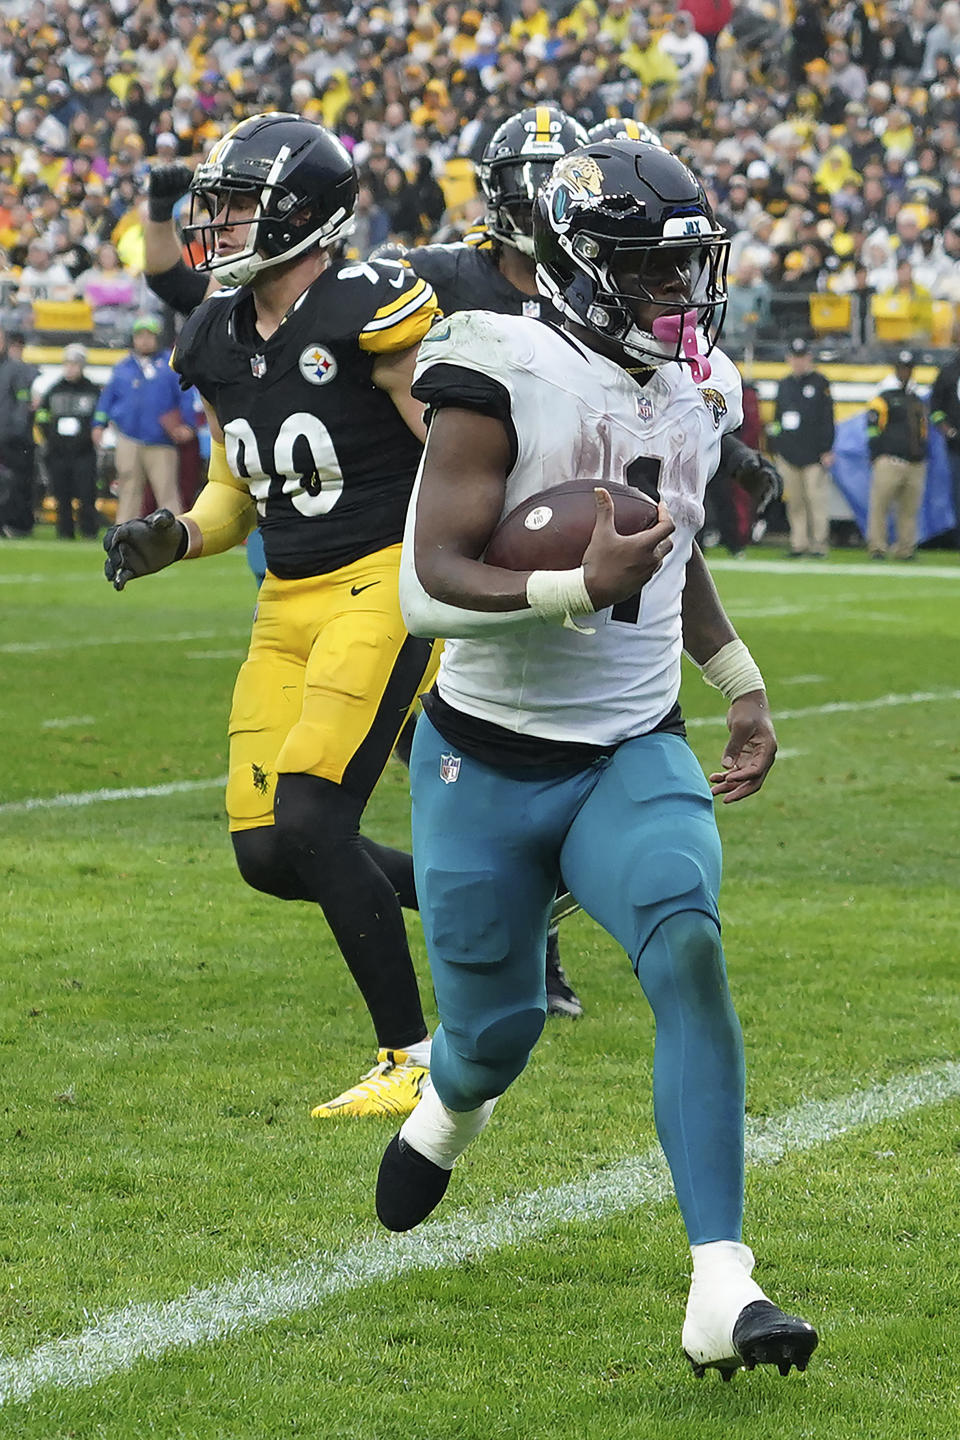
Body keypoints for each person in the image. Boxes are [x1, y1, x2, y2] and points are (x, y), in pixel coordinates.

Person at [374, 139, 818, 1381]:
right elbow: (429, 585)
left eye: (688, 265)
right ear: (576, 265)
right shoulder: (498, 362)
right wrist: (570, 583)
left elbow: (672, 548)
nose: (680, 293)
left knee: (687, 941)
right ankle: (453, 1104)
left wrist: (740, 685)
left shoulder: (696, 378)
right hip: (484, 759)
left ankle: (722, 1285)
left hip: (630, 743)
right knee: (496, 1030)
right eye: (648, 267)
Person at [102, 113, 443, 1120]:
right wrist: (176, 536)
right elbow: (231, 485)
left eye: (238, 205)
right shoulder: (214, 330)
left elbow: (458, 451)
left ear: (302, 211)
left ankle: (414, 1056)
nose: (218, 226)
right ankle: (490, 895)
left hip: (381, 580)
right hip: (285, 598)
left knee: (314, 816)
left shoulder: (368, 309)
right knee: (266, 852)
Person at [92, 316, 190, 524]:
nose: (144, 341)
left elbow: (186, 396)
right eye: (140, 336)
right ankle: (123, 534)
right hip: (128, 437)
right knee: (128, 490)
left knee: (166, 491)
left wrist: (188, 424)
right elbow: (107, 398)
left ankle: (176, 536)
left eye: (149, 336)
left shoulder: (170, 365)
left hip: (161, 439)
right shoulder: (123, 367)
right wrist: (98, 424)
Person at [768, 338, 835, 558]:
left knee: (816, 500)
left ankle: (819, 544)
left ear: (809, 358)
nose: (798, 362)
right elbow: (777, 418)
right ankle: (799, 543)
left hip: (814, 453)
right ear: (789, 359)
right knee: (795, 502)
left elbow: (827, 418)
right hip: (789, 453)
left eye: (802, 357)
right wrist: (777, 446)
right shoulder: (784, 384)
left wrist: (827, 448)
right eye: (794, 358)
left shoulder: (820, 383)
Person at [865, 350, 928, 561]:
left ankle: (906, 548)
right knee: (880, 506)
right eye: (901, 368)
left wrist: (922, 453)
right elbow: (872, 427)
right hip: (889, 460)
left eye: (908, 369)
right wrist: (877, 454)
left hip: (914, 463)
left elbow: (922, 431)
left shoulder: (916, 399)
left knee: (909, 510)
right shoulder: (884, 397)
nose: (905, 372)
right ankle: (877, 547)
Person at [35, 342, 101, 540]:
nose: (70, 368)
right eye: (68, 364)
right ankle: (65, 531)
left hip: (84, 452)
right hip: (58, 452)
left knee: (86, 493)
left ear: (82, 366)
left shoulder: (92, 390)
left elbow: (98, 417)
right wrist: (51, 437)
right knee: (62, 495)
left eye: (75, 364)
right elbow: (42, 417)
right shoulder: (54, 390)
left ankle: (89, 530)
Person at [0, 327, 39, 538]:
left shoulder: (15, 370)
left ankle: (16, 524)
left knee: (13, 484)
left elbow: (22, 402)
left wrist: (15, 430)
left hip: (9, 439)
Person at [929, 345, 960, 549]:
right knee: (958, 495)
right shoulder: (949, 371)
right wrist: (946, 429)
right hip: (956, 447)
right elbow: (935, 408)